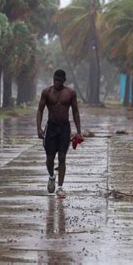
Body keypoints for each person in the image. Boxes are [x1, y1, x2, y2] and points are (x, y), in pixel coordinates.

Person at [37, 69, 82, 198]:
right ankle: (52, 176)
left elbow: (75, 112)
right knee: (50, 158)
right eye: (55, 80)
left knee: (62, 157)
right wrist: (39, 128)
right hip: (51, 127)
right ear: (53, 79)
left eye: (59, 80)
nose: (56, 82)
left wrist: (79, 131)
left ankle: (60, 187)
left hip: (64, 128)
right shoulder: (47, 92)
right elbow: (40, 110)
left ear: (64, 80)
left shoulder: (70, 93)